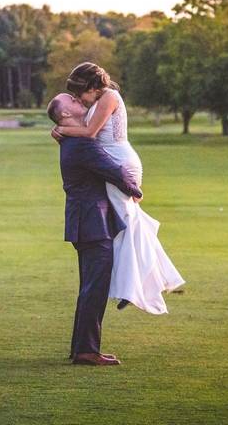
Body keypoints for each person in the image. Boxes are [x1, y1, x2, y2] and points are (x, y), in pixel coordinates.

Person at [52, 62, 185, 315]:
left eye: (81, 93)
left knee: (127, 225)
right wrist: (61, 128)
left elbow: (90, 133)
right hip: (112, 161)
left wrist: (61, 128)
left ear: (92, 86)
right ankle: (136, 285)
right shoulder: (99, 100)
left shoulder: (110, 96)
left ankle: (136, 286)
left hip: (120, 162)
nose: (80, 99)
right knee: (128, 225)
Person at [47, 93, 143, 366]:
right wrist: (135, 190)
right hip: (92, 223)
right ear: (65, 114)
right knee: (94, 288)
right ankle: (87, 351)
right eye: (73, 102)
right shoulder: (81, 143)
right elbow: (113, 171)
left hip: (85, 221)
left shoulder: (71, 139)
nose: (80, 102)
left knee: (90, 287)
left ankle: (82, 348)